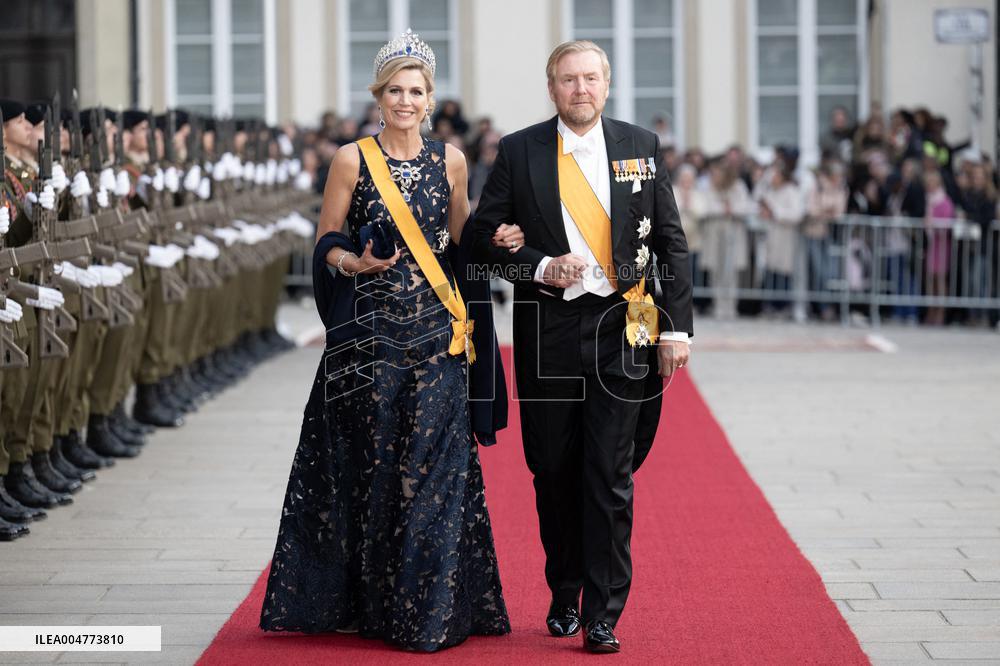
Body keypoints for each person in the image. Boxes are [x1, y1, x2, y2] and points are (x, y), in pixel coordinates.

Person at [260, 29, 512, 651]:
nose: (406, 101)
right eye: (395, 91)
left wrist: (499, 240)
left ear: (431, 99)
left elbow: (460, 242)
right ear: (379, 97)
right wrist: (355, 264)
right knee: (372, 469)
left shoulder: (452, 160)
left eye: (416, 91)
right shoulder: (352, 159)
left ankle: (427, 613)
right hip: (370, 340)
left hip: (437, 338)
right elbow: (326, 242)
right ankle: (368, 604)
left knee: (435, 472)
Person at [471, 40, 694, 654]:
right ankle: (563, 590)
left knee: (609, 471)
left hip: (625, 325)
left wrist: (676, 329)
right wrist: (536, 264)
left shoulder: (640, 148)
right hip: (549, 331)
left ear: (607, 82)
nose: (581, 89)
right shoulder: (519, 151)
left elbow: (672, 242)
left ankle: (603, 611)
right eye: (568, 80)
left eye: (591, 78)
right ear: (552, 88)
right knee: (551, 468)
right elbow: (482, 237)